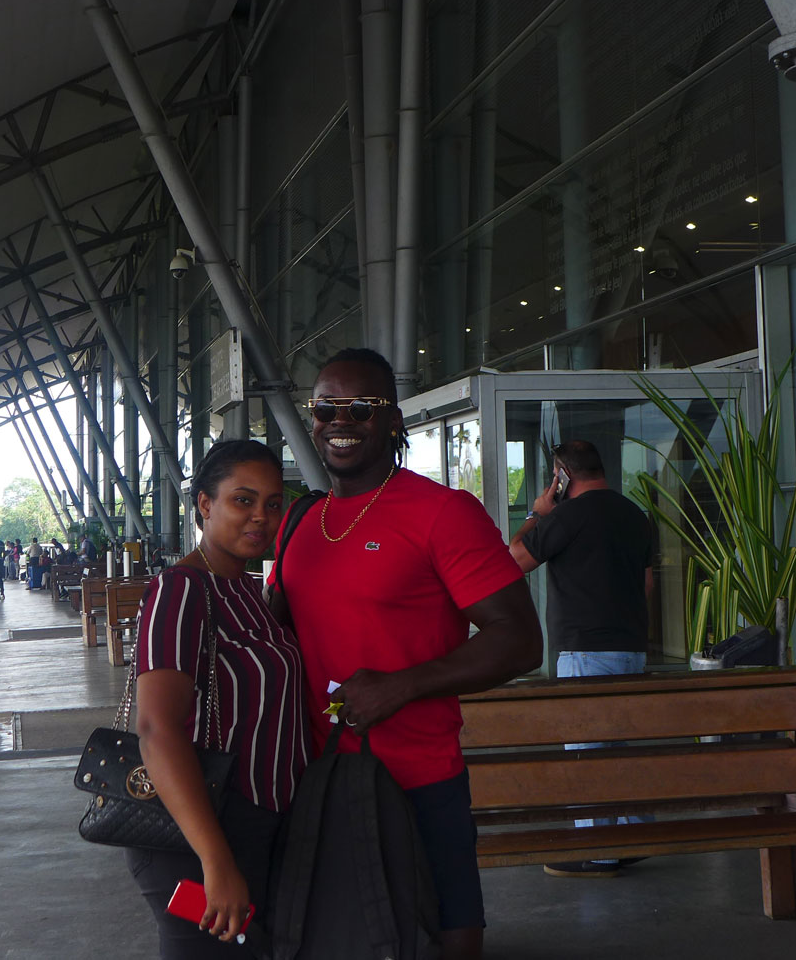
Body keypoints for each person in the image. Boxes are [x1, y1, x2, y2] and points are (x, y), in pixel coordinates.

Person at [271, 348, 543, 960]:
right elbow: (277, 633)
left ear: (394, 420)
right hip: (313, 779)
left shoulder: (444, 513)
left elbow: (520, 639)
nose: (340, 421)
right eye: (326, 408)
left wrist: (400, 685)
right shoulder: (299, 521)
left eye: (361, 409)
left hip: (417, 778)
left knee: (444, 935)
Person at [128, 439, 308, 958]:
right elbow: (156, 728)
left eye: (273, 504)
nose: (260, 517)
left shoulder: (248, 590)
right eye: (242, 501)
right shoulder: (181, 590)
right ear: (205, 504)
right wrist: (216, 860)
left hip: (258, 823)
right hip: (197, 834)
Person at [508, 438, 654, 879]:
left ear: (562, 476)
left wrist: (537, 513)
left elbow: (512, 560)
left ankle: (598, 850)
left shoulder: (567, 516)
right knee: (617, 749)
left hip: (584, 651)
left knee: (587, 753)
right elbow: (646, 583)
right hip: (631, 649)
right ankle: (626, 839)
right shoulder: (634, 514)